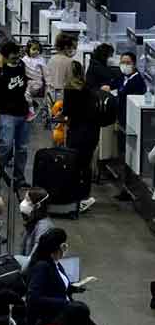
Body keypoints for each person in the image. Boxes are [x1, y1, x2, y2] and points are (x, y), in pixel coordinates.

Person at [0, 40, 31, 188]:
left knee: (22, 147)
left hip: (23, 113)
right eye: (13, 56)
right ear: (5, 56)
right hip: (7, 114)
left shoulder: (21, 66)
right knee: (5, 146)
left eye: (18, 55)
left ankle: (20, 177)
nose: (16, 58)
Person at [27, 228, 89, 325]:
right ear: (59, 247)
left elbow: (56, 286)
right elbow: (33, 299)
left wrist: (74, 288)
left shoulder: (56, 264)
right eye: (64, 245)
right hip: (52, 316)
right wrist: (64, 303)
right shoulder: (42, 267)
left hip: (65, 311)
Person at [62, 61, 99, 213]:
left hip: (78, 132)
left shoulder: (70, 89)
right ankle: (84, 195)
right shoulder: (89, 87)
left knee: (75, 164)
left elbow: (68, 111)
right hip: (91, 131)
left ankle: (77, 197)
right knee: (85, 164)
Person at [19, 187, 54, 259]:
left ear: (38, 205)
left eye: (27, 200)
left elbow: (33, 257)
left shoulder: (43, 227)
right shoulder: (33, 220)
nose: (23, 203)